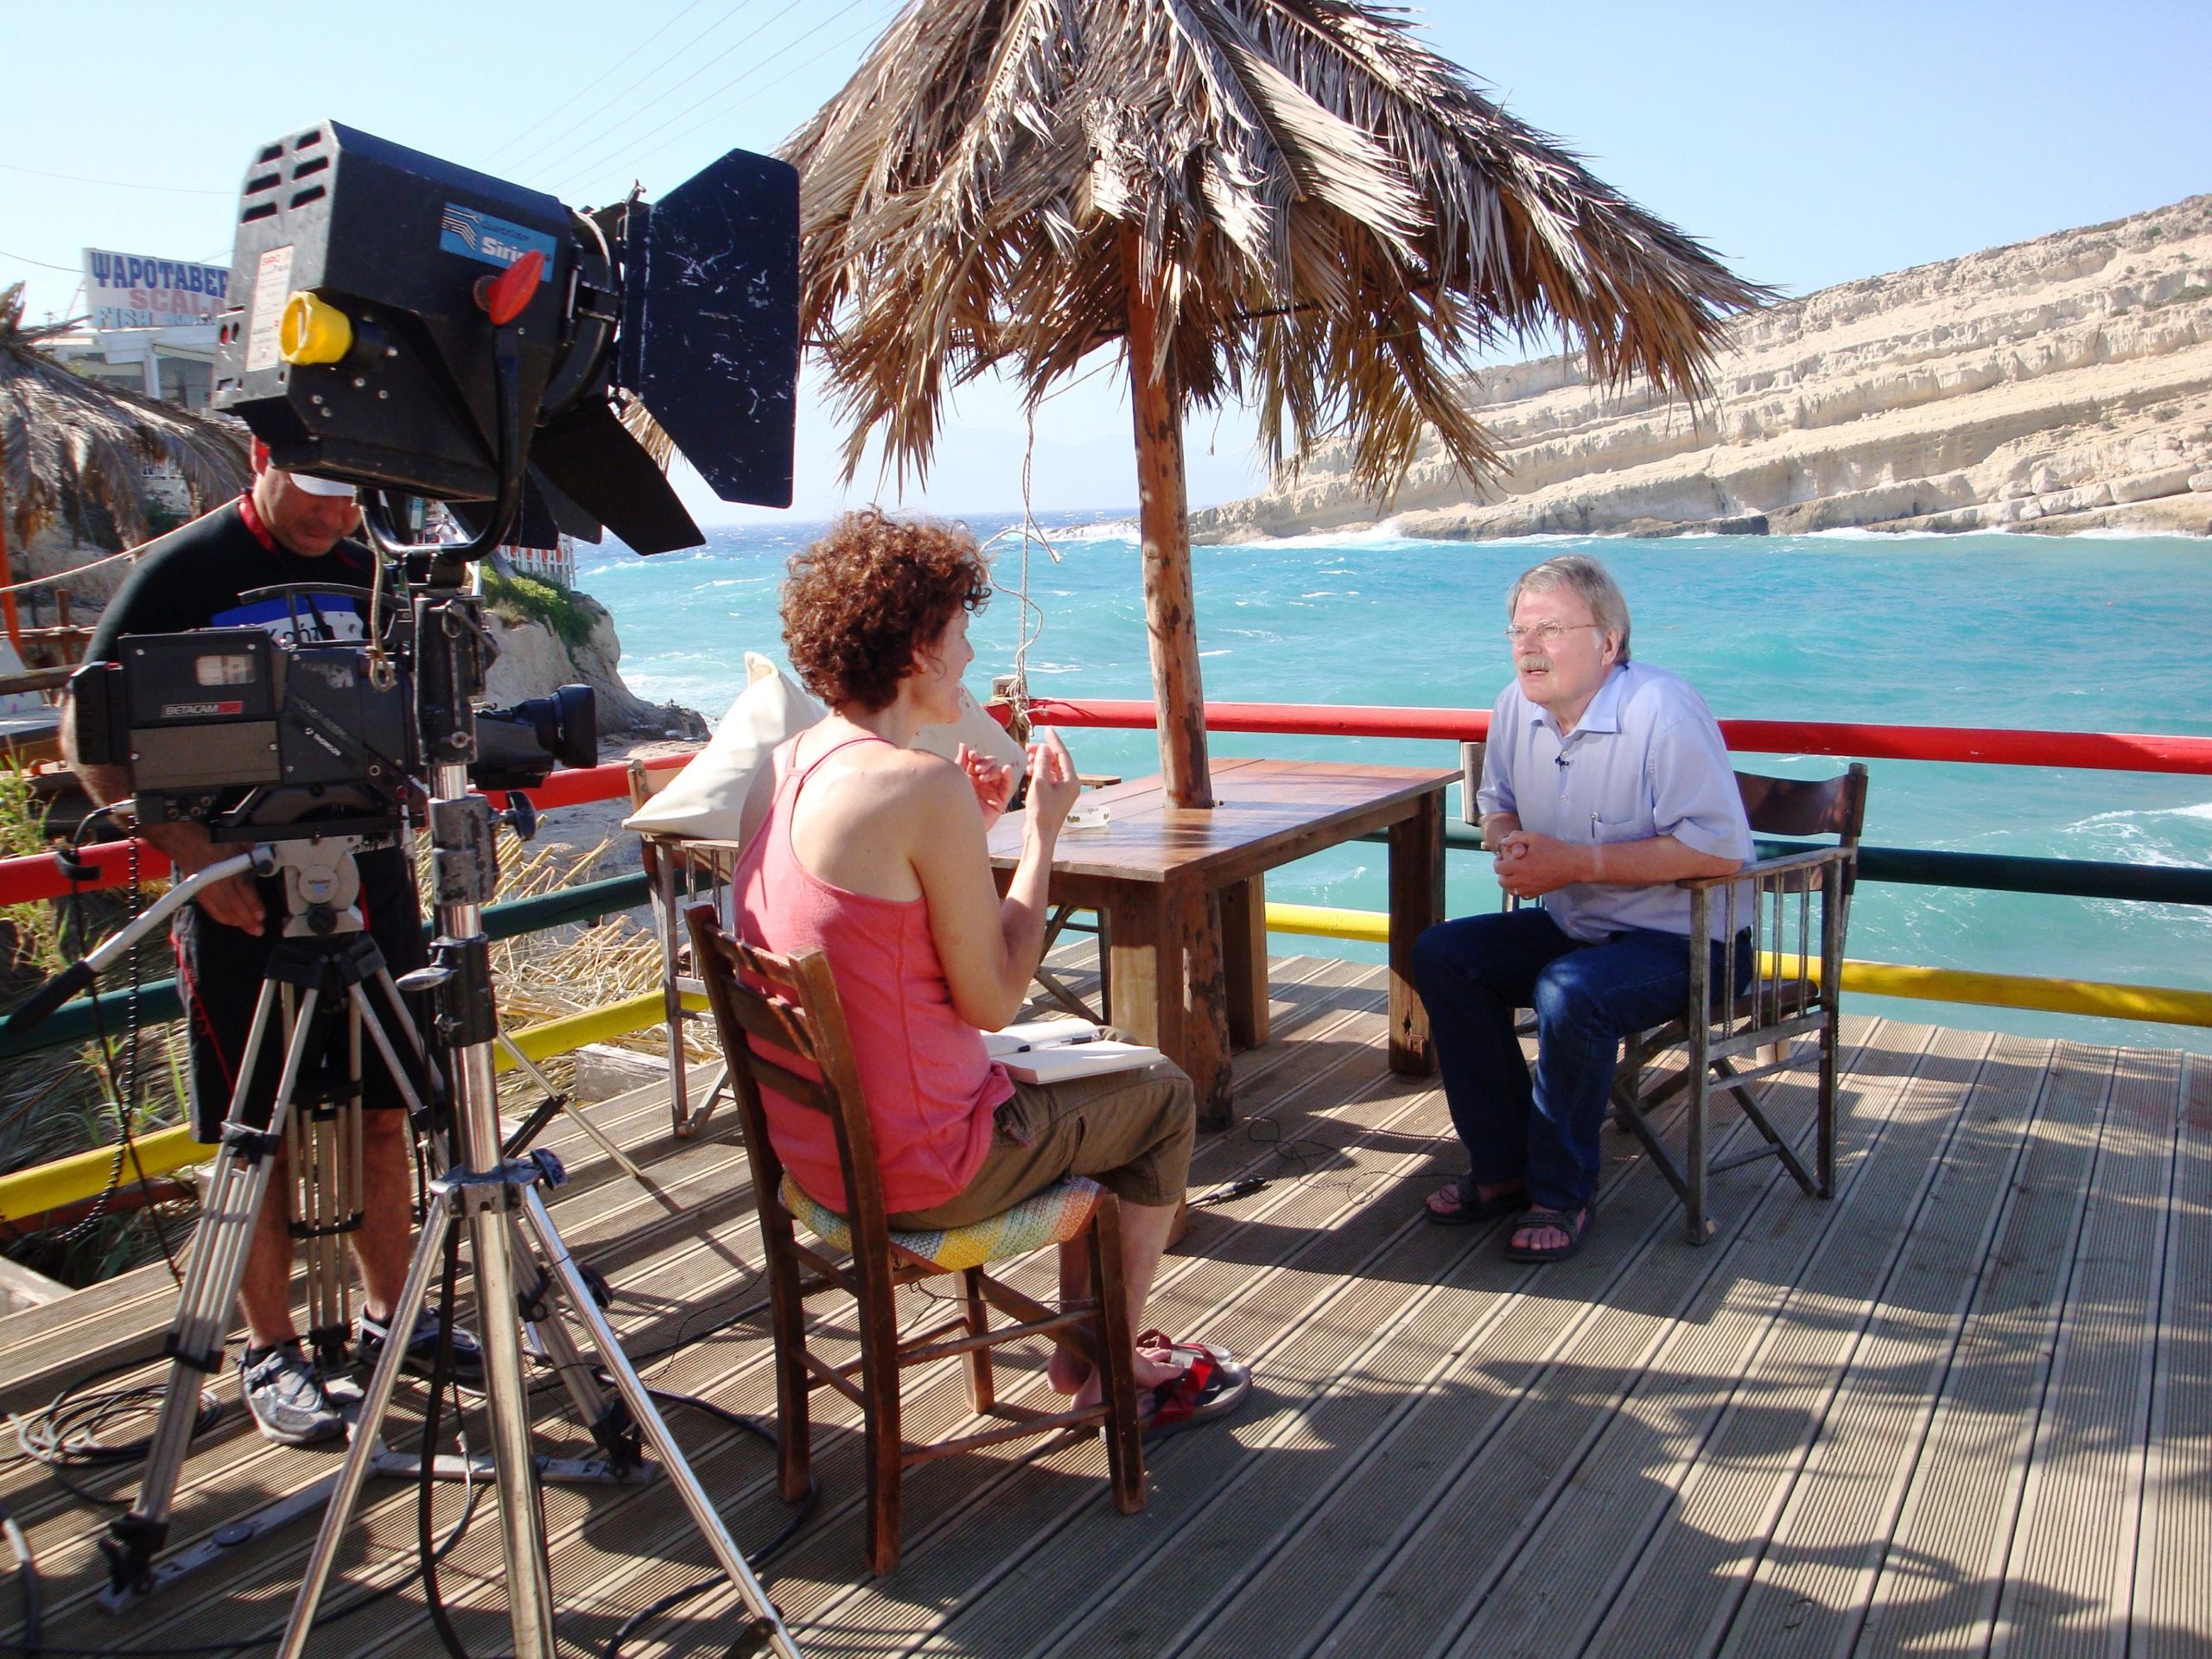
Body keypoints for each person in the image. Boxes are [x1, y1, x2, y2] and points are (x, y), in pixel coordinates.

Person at [733, 509, 1247, 1430]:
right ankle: (1106, 1371)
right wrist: (1039, 834)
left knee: (1094, 1064)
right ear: (921, 648)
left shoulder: (785, 768)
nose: (969, 654)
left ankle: (1088, 1346)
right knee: (1161, 1093)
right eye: (960, 632)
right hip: (924, 1168)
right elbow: (992, 997)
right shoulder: (914, 784)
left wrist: (973, 827)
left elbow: (868, 930)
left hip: (818, 1160)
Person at [63, 443, 477, 1446]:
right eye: (318, 497)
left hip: (367, 880)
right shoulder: (186, 570)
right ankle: (271, 1350)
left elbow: (404, 703)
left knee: (390, 1115)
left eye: (351, 504)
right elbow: (87, 727)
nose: (335, 521)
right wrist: (179, 842)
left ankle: (393, 1321)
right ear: (261, 459)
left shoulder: (374, 562)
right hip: (238, 897)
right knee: (258, 1137)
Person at [1412, 554, 1753, 1262]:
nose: (1528, 646)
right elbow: (1495, 803)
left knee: (1570, 991)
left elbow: (1721, 851)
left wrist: (1577, 863)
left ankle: (1561, 1192)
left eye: (1550, 629)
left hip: (1689, 941)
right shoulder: (1516, 706)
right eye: (1518, 630)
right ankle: (1503, 1168)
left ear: (1609, 643)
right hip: (1579, 928)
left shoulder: (1661, 708)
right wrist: (1511, 845)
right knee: (1443, 954)